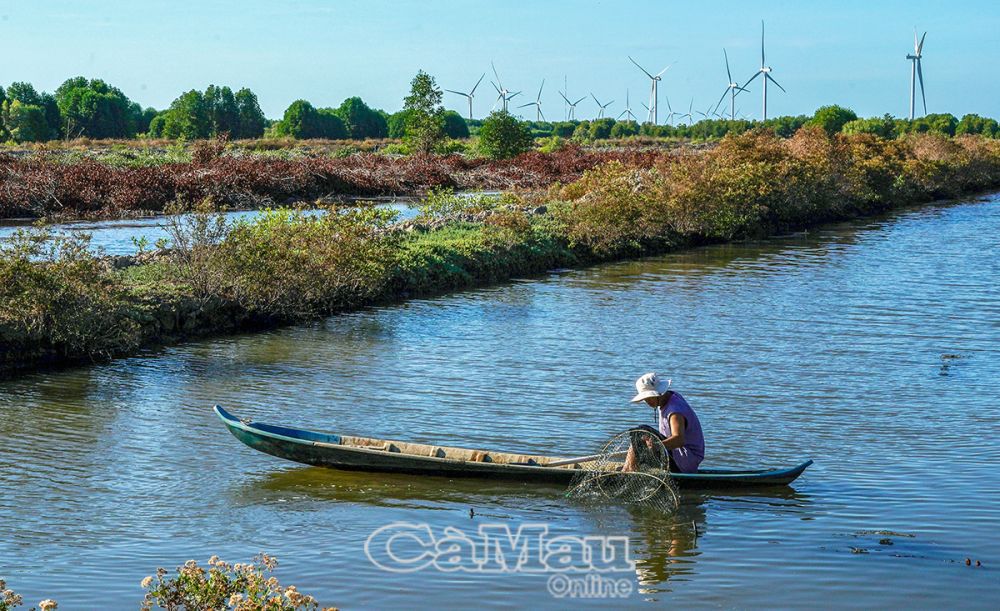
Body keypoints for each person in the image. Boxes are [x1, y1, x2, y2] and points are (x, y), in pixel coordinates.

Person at [623, 372, 705, 473]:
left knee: (642, 430)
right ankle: (628, 469)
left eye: (648, 398)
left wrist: (656, 445)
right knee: (639, 435)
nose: (646, 402)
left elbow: (679, 440)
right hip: (681, 457)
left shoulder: (674, 411)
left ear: (658, 394)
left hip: (686, 461)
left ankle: (629, 470)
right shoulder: (669, 397)